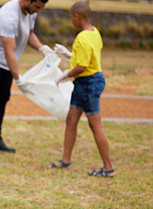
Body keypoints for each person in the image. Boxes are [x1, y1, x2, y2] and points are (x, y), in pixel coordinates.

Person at [0, 0, 53, 157]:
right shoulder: (9, 15)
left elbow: (29, 34)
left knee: (3, 97)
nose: (38, 11)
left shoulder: (30, 12)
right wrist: (18, 78)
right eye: (37, 6)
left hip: (5, 62)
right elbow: (9, 51)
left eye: (41, 8)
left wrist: (43, 49)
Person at [49, 1, 115, 178]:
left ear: (76, 16)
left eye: (71, 17)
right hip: (85, 83)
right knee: (71, 120)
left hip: (88, 83)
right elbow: (88, 57)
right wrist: (69, 55)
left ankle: (108, 168)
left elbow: (82, 67)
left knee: (96, 125)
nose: (71, 21)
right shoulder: (94, 33)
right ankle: (65, 160)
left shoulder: (82, 37)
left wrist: (63, 76)